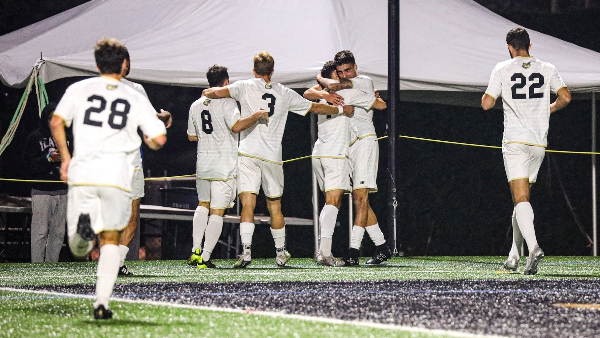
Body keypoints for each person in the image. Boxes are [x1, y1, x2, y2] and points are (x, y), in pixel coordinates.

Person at [202, 51, 354, 268]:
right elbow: (314, 107)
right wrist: (340, 108)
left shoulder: (244, 86)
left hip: (248, 153)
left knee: (248, 203)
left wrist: (208, 92)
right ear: (272, 72)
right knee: (275, 205)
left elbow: (218, 92)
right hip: (272, 156)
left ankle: (246, 252)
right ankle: (281, 253)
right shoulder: (284, 92)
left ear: (254, 70)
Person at [50, 38, 167, 319]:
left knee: (79, 246)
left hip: (84, 171)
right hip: (117, 175)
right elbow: (158, 138)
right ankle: (101, 303)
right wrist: (151, 140)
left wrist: (66, 159)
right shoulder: (135, 96)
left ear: (96, 64)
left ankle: (82, 233)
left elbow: (56, 122)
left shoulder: (79, 88)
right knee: (111, 238)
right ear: (125, 64)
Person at [481, 28, 571, 275]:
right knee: (521, 200)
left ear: (510, 47)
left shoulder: (503, 68)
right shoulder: (547, 67)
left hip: (515, 142)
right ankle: (513, 256)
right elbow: (565, 97)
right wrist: (547, 110)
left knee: (520, 199)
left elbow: (487, 104)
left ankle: (533, 247)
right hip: (539, 143)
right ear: (529, 45)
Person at [304, 61, 387, 266]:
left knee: (357, 198)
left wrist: (322, 85)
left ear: (356, 68)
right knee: (353, 199)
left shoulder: (358, 82)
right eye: (339, 73)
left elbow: (308, 94)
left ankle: (361, 249)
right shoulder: (340, 89)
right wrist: (327, 91)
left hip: (355, 144)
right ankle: (372, 247)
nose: (342, 77)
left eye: (346, 72)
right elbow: (381, 104)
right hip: (341, 150)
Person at [187, 65, 269, 268]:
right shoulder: (227, 101)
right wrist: (257, 115)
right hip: (223, 165)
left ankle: (195, 251)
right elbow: (236, 126)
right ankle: (205, 257)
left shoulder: (196, 104)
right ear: (226, 82)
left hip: (203, 163)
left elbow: (191, 136)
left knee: (202, 205)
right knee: (217, 211)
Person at [117, 51, 172, 276]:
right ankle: (116, 261)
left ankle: (115, 262)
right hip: (126, 160)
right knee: (128, 214)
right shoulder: (134, 89)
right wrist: (166, 117)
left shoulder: (94, 89)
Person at [23, 102, 72, 263]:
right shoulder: (35, 137)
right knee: (40, 232)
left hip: (63, 191)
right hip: (41, 191)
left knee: (58, 233)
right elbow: (27, 165)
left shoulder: (68, 137)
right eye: (51, 118)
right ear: (45, 119)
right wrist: (49, 158)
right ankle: (37, 266)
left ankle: (52, 266)